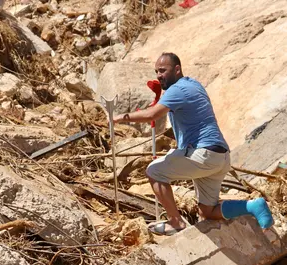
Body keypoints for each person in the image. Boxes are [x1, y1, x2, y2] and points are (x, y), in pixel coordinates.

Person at [113, 52, 273, 236]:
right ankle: (253, 206)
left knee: (154, 172)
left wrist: (120, 117)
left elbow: (152, 115)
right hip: (220, 157)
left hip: (202, 154)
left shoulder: (178, 90)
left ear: (177, 69)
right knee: (207, 211)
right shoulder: (194, 85)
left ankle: (176, 222)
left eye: (163, 70)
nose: (158, 75)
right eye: (156, 71)